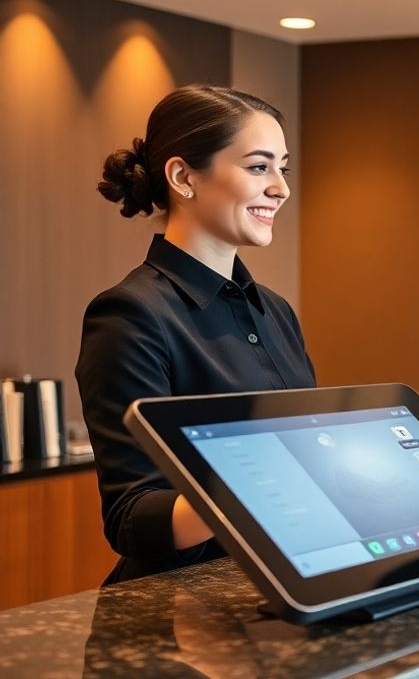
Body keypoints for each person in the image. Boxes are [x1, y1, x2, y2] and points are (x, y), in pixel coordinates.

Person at [76, 85, 315, 584]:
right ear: (183, 177)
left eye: (282, 168)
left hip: (288, 581)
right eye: (258, 167)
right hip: (177, 618)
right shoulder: (129, 315)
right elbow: (131, 517)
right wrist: (251, 485)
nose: (281, 188)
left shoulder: (275, 310)